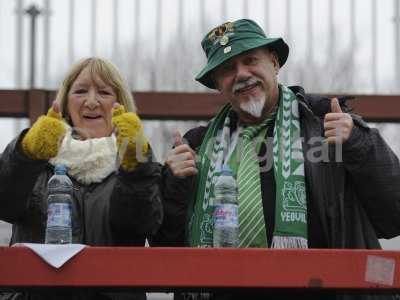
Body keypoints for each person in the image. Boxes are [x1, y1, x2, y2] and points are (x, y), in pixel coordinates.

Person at [153, 19, 400, 299]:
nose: (242, 74)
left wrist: (358, 141)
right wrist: (174, 184)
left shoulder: (325, 125)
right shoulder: (196, 146)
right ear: (218, 85)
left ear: (274, 63)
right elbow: (164, 248)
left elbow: (394, 215)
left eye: (250, 60)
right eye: (227, 69)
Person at [0, 57, 162, 300]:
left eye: (105, 92)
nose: (91, 101)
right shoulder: (37, 159)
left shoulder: (138, 164)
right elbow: (5, 205)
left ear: (120, 105)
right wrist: (26, 153)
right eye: (81, 91)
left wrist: (136, 168)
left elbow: (140, 224)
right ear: (65, 102)